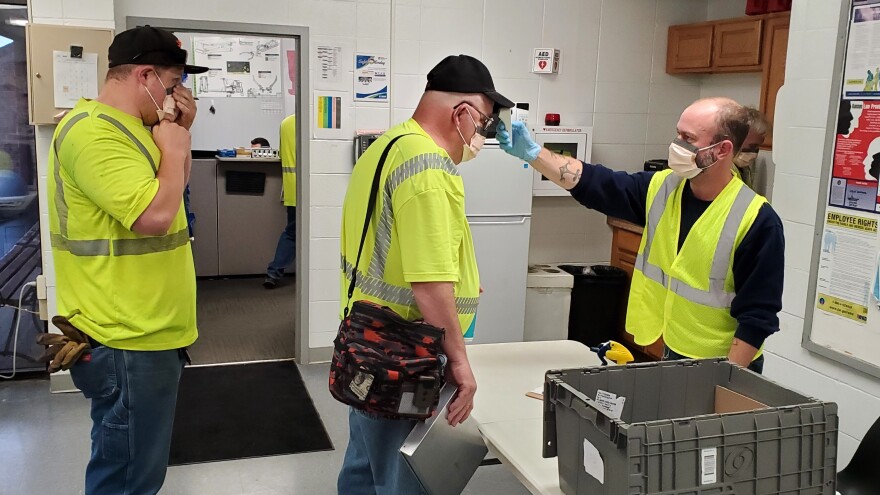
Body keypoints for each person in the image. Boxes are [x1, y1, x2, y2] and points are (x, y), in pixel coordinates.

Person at [497, 97, 784, 373]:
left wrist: (728, 379)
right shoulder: (663, 188)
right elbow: (598, 183)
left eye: (689, 138)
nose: (677, 145)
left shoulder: (757, 220)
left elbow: (758, 318)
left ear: (722, 150)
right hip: (671, 347)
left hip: (724, 363)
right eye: (677, 134)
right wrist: (535, 154)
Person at [336, 54, 513, 494]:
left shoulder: (388, 145)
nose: (482, 136)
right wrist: (459, 364)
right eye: (485, 124)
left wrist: (466, 285)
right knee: (403, 479)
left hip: (366, 342)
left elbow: (395, 250)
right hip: (407, 355)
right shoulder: (430, 168)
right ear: (463, 113)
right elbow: (429, 283)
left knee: (364, 467)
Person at [45, 26, 207, 494]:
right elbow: (155, 217)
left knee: (138, 469)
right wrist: (175, 146)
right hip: (126, 338)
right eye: (174, 84)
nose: (180, 94)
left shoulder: (137, 128)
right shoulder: (94, 133)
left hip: (149, 331)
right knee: (128, 478)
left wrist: (178, 136)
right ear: (145, 75)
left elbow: (169, 195)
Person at [264, 115, 297, 288]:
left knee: (292, 233)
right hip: (313, 190)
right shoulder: (316, 122)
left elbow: (283, 155)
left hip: (292, 189)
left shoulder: (286, 123)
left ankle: (274, 272)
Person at [731, 106, 769, 191]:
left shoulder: (744, 169)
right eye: (752, 146)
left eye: (758, 146)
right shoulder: (720, 170)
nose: (755, 153)